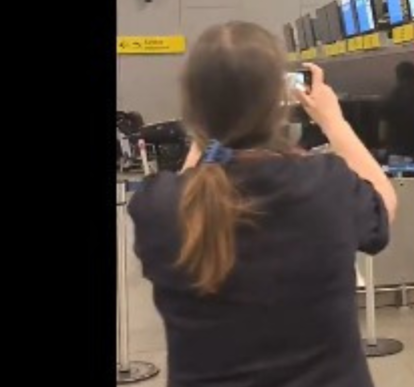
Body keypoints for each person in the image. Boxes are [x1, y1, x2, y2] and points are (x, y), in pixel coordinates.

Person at [129, 21, 398, 387]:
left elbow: (189, 183)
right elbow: (384, 202)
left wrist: (207, 129)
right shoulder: (325, 184)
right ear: (277, 105)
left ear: (191, 107)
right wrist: (334, 122)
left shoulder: (157, 206)